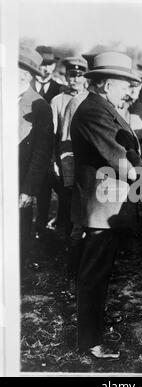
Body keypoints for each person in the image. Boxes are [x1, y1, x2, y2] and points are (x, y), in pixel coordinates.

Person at [70, 51, 142, 359]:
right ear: (103, 85)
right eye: (122, 83)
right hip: (101, 209)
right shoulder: (94, 112)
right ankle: (89, 342)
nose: (128, 89)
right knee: (94, 275)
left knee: (97, 273)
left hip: (106, 205)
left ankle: (92, 331)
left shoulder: (102, 107)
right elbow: (123, 162)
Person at [18, 45, 54, 268]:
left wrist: (29, 189)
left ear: (27, 76)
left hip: (20, 181)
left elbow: (41, 153)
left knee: (19, 232)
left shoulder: (40, 106)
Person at [50, 56, 88, 240]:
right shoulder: (58, 101)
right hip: (66, 161)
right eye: (72, 75)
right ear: (66, 77)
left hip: (86, 160)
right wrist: (53, 162)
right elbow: (52, 135)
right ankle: (62, 242)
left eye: (80, 75)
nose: (76, 79)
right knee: (65, 202)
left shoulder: (89, 99)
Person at [32, 45, 65, 239]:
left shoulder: (58, 89)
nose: (45, 68)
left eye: (49, 64)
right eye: (42, 64)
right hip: (31, 148)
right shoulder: (26, 86)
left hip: (53, 149)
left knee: (56, 190)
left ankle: (49, 229)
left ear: (54, 66)